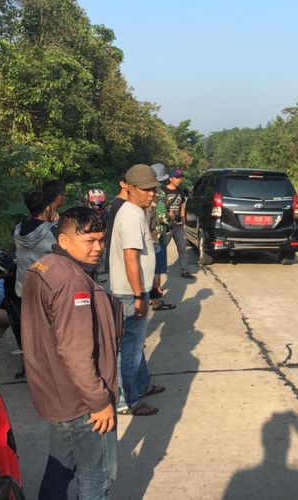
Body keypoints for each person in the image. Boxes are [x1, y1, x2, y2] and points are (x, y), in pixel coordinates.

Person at [21, 207, 118, 500]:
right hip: (81, 401)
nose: (97, 248)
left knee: (61, 466)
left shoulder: (43, 266)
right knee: (97, 476)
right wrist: (99, 400)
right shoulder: (72, 280)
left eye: (100, 240)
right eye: (88, 241)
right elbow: (75, 349)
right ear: (63, 240)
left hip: (57, 393)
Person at [109, 164, 164, 416]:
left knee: (136, 344)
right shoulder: (131, 215)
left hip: (134, 290)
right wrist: (140, 294)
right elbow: (130, 257)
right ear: (129, 188)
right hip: (129, 293)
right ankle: (126, 401)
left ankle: (141, 386)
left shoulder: (135, 210)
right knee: (129, 350)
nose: (151, 194)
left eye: (153, 189)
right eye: (145, 190)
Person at [13, 189, 57, 298]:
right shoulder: (54, 231)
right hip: (46, 290)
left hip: (23, 290)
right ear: (47, 208)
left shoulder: (16, 230)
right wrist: (55, 224)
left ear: (28, 208)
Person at [149, 163, 176, 311]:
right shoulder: (159, 193)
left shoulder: (143, 191)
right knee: (157, 269)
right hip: (157, 235)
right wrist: (170, 217)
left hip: (145, 234)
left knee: (147, 268)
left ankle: (148, 297)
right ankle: (157, 300)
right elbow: (161, 216)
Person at [162, 168, 196, 279]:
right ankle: (158, 270)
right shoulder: (163, 191)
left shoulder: (180, 192)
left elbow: (182, 205)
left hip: (178, 225)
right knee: (161, 248)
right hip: (166, 225)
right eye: (177, 177)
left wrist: (182, 217)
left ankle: (185, 270)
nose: (179, 180)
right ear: (170, 178)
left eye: (180, 177)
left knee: (182, 248)